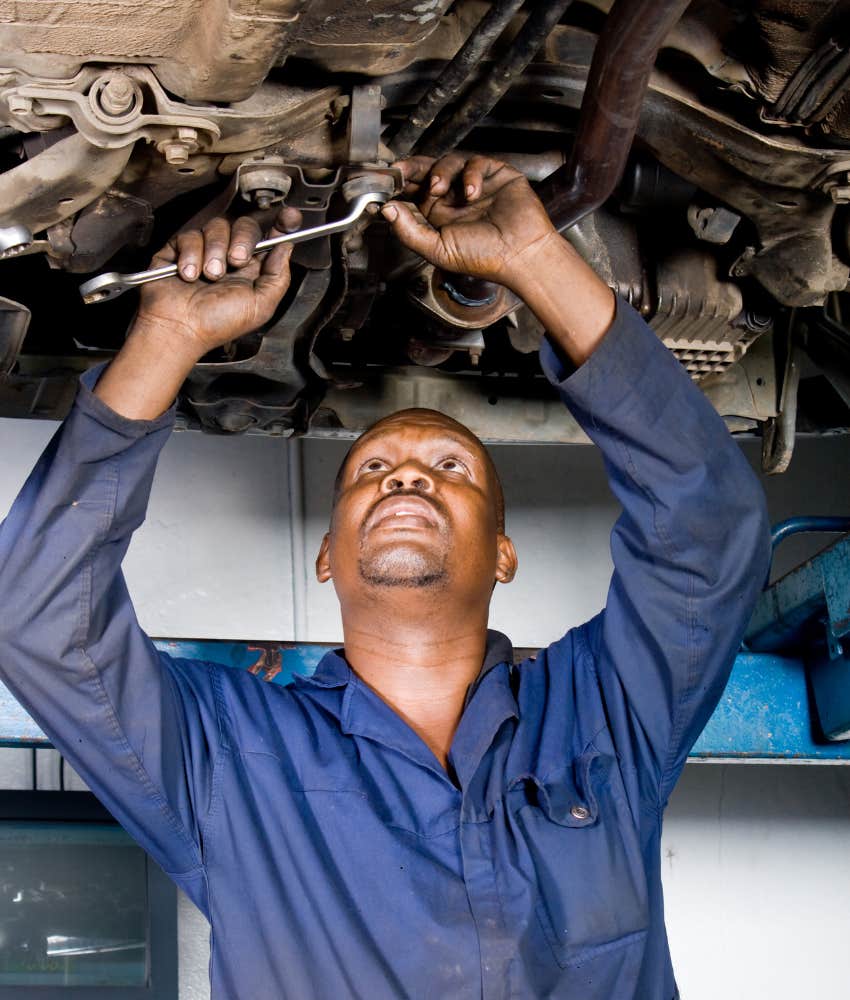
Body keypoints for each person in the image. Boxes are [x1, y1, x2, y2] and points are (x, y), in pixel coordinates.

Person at [0, 153, 769, 999]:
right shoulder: (228, 757)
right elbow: (39, 618)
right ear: (327, 555)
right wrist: (167, 336)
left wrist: (539, 261)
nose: (407, 478)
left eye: (449, 465)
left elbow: (707, 527)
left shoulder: (606, 716)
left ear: (503, 553)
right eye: (371, 471)